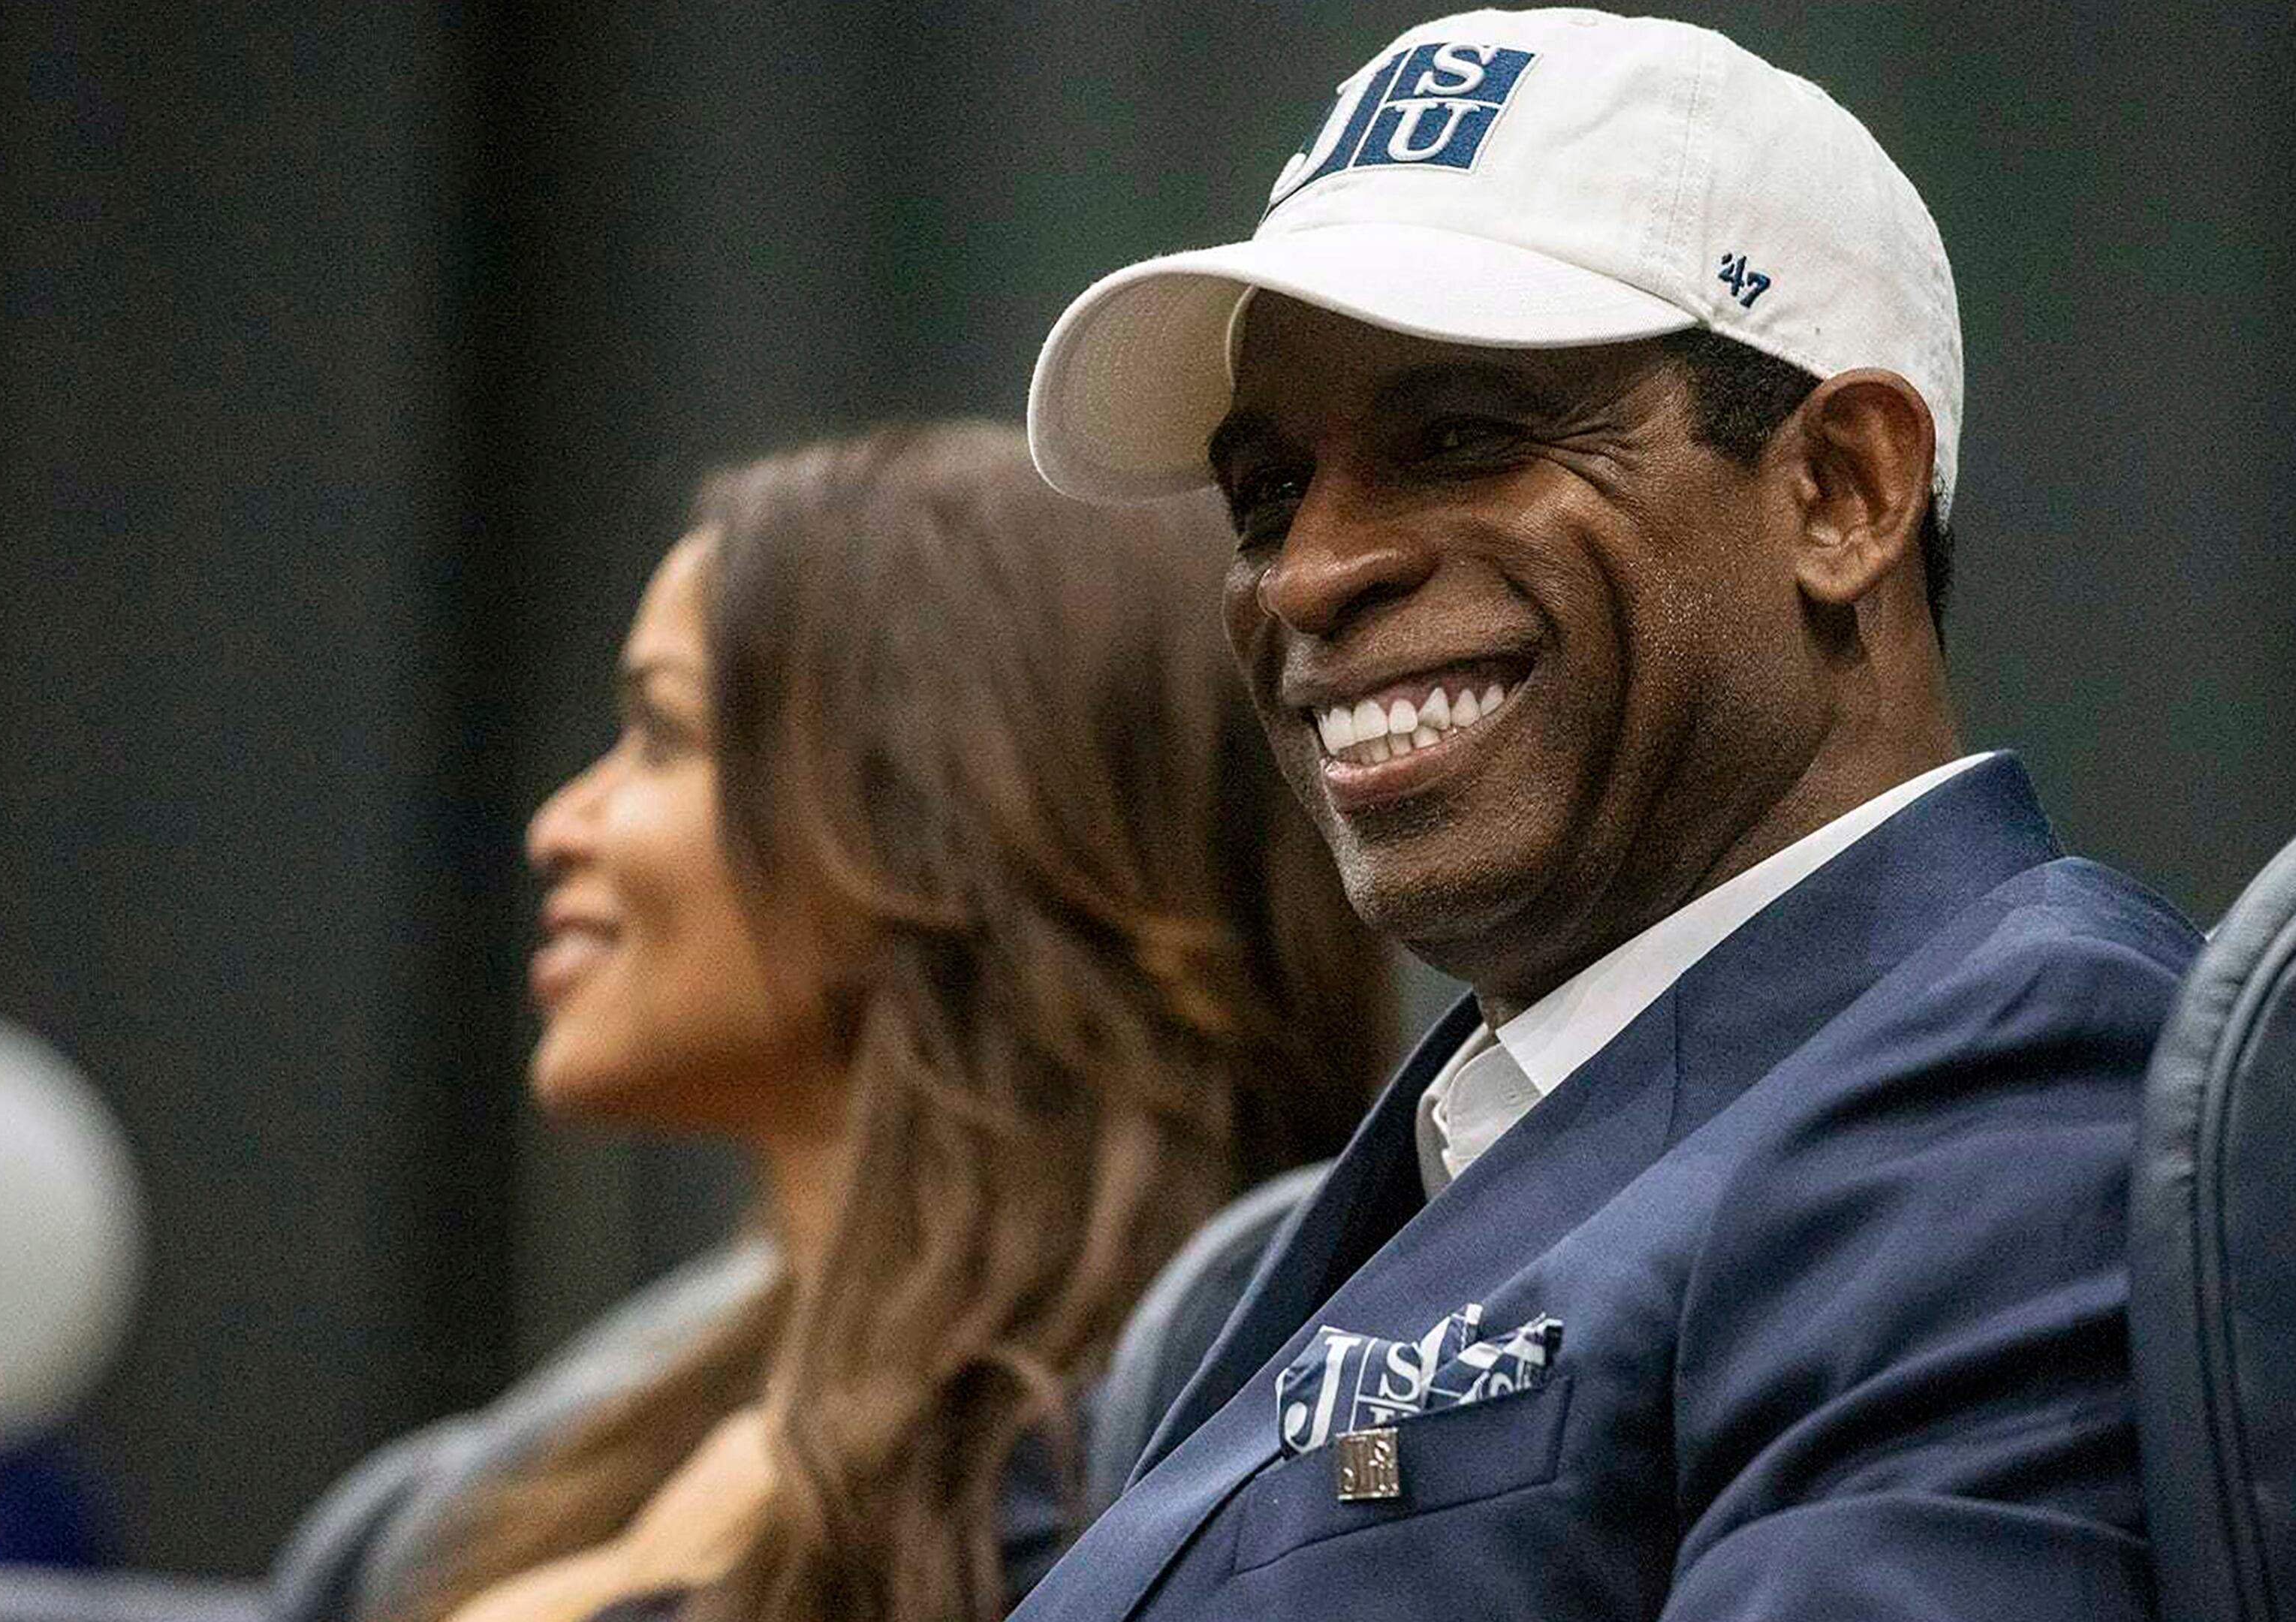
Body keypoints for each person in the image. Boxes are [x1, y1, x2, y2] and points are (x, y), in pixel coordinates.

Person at [1013, 10, 2203, 1619]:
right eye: (1269, 495)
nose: (1307, 571)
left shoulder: (2017, 1080)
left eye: (1462, 439)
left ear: (1842, 490)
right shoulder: (1471, 1141)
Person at [391, 424, 1392, 1622]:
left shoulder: (1128, 1488)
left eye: (660, 735)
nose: (561, 823)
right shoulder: (644, 1409)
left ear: (932, 826)